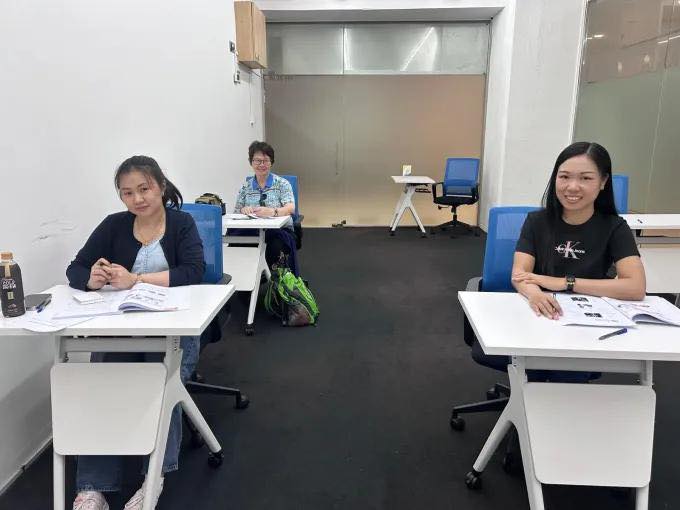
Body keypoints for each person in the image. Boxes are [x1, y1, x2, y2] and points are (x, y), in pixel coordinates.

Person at [66, 155, 205, 510]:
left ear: (161, 186)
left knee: (161, 385)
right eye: (127, 193)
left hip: (175, 329)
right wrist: (91, 279)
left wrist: (137, 279)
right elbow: (76, 267)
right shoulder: (113, 225)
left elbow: (194, 271)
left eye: (144, 189)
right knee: (103, 385)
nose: (137, 199)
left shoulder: (182, 223)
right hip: (122, 329)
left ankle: (153, 477)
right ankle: (93, 487)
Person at [472, 141, 646, 380]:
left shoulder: (615, 227)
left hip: (586, 325)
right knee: (553, 369)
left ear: (603, 181)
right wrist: (535, 293)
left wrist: (565, 283)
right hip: (536, 315)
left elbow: (635, 287)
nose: (572, 186)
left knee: (568, 371)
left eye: (585, 178)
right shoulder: (536, 222)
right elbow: (520, 275)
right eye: (564, 177)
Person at [233, 140, 299, 275]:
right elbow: (237, 211)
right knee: (237, 245)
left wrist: (273, 212)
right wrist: (243, 210)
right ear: (251, 162)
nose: (261, 164)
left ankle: (273, 281)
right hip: (252, 231)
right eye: (257, 161)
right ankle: (247, 280)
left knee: (275, 247)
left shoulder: (282, 184)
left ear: (271, 162)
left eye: (266, 161)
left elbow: (291, 208)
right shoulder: (245, 187)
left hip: (278, 231)